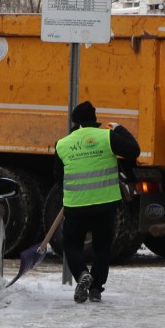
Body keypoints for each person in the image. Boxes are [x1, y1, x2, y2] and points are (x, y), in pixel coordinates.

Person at [54, 101, 141, 304]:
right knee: (102, 247)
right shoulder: (107, 137)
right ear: (94, 120)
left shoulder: (62, 144)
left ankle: (82, 274)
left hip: (76, 206)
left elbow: (59, 179)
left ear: (74, 122)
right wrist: (120, 129)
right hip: (105, 204)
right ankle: (95, 289)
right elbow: (133, 151)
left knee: (71, 245)